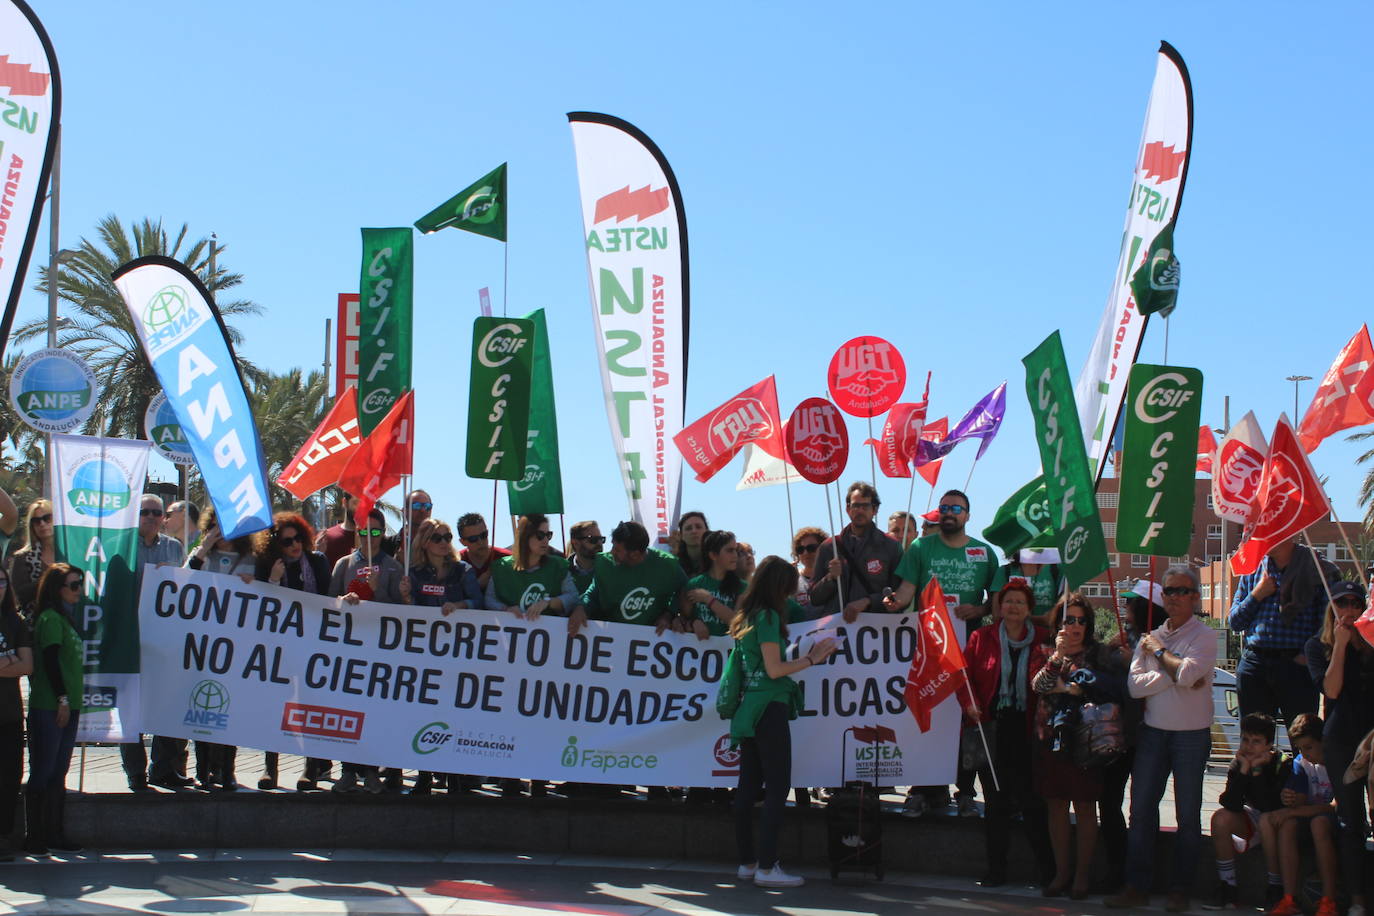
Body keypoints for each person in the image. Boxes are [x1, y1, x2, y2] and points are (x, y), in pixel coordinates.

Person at [1107, 565, 1216, 913]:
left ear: (1195, 596)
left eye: (1182, 590)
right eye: (1169, 591)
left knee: (1188, 815)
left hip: (1192, 736)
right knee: (1140, 812)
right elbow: (1135, 687)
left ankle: (1180, 888)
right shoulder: (1150, 635)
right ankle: (1137, 886)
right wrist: (1178, 673)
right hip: (1153, 733)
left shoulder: (1203, 636)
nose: (1174, 597)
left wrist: (1159, 657)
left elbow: (1187, 674)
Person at [885, 489, 998, 816]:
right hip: (928, 650)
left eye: (956, 508)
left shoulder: (983, 552)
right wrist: (894, 604)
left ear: (967, 515)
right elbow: (906, 592)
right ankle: (919, 790)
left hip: (969, 650)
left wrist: (978, 610)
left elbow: (998, 599)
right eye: (944, 507)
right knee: (928, 714)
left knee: (965, 721)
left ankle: (964, 792)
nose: (950, 513)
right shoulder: (921, 548)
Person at [730, 555, 836, 888]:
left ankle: (748, 863)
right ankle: (766, 867)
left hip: (749, 708)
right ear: (780, 587)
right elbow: (775, 670)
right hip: (769, 706)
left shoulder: (746, 615)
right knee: (777, 787)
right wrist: (812, 658)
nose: (791, 596)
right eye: (789, 590)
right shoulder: (768, 617)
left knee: (748, 788)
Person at [961, 581, 1053, 889]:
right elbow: (964, 677)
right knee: (996, 803)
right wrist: (969, 703)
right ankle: (996, 870)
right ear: (1000, 607)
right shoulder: (981, 637)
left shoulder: (1043, 639)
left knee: (1032, 802)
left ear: (1029, 609)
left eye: (1019, 602)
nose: (1013, 606)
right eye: (1008, 601)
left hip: (1029, 731)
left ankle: (1047, 871)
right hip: (992, 727)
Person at [1031, 593, 1124, 898]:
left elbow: (1109, 690)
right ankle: (1062, 873)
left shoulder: (1099, 655)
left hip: (1086, 742)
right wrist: (1057, 659)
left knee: (1085, 807)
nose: (1074, 626)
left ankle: (1082, 876)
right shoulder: (1046, 650)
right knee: (1056, 805)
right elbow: (1038, 686)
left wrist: (1073, 688)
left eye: (1081, 621)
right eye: (1068, 619)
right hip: (1050, 738)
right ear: (1058, 622)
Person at [1304, 579, 1374, 916]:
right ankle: (1357, 899)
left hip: (1371, 737)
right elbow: (1330, 691)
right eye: (1341, 604)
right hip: (1341, 741)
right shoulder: (1317, 647)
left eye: (1355, 604)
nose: (1348, 611)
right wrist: (1343, 646)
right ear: (1331, 610)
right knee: (1351, 822)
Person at [399, 518, 482, 796]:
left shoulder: (463, 571)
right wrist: (407, 598)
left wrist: (459, 605)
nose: (445, 542)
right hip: (425, 654)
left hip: (457, 654)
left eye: (447, 537)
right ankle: (424, 774)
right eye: (438, 538)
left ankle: (455, 775)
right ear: (425, 543)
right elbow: (408, 614)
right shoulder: (415, 574)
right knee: (424, 712)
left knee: (454, 713)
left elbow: (478, 604)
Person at [254, 513, 332, 792]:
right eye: (287, 542)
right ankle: (269, 767)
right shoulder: (265, 565)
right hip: (278, 645)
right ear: (276, 545)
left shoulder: (317, 562)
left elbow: (328, 597)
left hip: (313, 645)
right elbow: (260, 605)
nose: (294, 545)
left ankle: (311, 768)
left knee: (310, 704)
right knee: (275, 704)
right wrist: (274, 580)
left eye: (298, 538)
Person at [330, 509, 405, 794]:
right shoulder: (343, 564)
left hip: (381, 651)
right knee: (348, 710)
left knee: (373, 714)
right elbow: (326, 601)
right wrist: (342, 599)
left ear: (383, 533)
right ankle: (348, 771)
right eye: (364, 531)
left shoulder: (394, 568)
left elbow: (400, 609)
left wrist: (378, 592)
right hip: (348, 648)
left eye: (375, 532)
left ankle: (372, 771)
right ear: (357, 533)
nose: (369, 537)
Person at [1099, 579, 1165, 892]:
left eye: (1130, 602)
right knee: (1108, 801)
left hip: (1148, 734)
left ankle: (1142, 874)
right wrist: (1106, 652)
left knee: (1142, 807)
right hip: (1117, 734)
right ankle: (1116, 866)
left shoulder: (1159, 641)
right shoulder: (1122, 639)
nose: (1124, 607)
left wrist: (1131, 665)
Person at [185, 506, 255, 791]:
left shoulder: (249, 559)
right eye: (216, 525)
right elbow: (185, 578)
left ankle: (227, 769)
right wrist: (205, 546)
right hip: (203, 644)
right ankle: (204, 769)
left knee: (230, 708)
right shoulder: (202, 556)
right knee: (202, 708)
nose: (222, 532)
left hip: (235, 646)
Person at [121, 495, 188, 792]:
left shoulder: (174, 547)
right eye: (144, 512)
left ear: (163, 517)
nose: (150, 516)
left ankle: (163, 768)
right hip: (130, 637)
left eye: (156, 512)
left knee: (167, 705)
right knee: (130, 708)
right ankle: (136, 771)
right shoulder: (121, 545)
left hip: (164, 640)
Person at [1228, 537, 1331, 726]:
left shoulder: (1317, 568)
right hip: (1255, 664)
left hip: (1295, 667)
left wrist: (1307, 656)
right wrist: (1257, 594)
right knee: (1254, 739)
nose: (1263, 536)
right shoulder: (1253, 569)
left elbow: (1327, 622)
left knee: (1303, 736)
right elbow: (1235, 622)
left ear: (1289, 533)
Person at [23, 563, 86, 856]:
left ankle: (55, 833)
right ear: (57, 588)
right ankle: (34, 836)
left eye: (80, 584)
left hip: (68, 705)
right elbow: (48, 661)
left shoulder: (66, 618)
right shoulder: (49, 618)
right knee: (43, 771)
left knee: (59, 771)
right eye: (74, 585)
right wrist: (61, 699)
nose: (79, 590)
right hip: (50, 706)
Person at [1203, 713, 1290, 911]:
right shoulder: (1240, 762)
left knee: (1267, 819)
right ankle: (1228, 887)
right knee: (1220, 818)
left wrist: (1258, 771)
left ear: (1269, 745)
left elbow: (1270, 804)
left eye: (1256, 742)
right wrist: (1244, 771)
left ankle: (1275, 887)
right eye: (1245, 740)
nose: (1249, 746)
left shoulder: (1282, 763)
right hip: (1252, 820)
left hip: (1277, 821)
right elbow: (1230, 803)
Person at [1262, 713, 1338, 916]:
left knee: (1319, 824)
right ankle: (1289, 899)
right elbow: (1300, 802)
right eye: (1300, 749)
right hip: (1310, 820)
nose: (1304, 754)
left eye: (1309, 747)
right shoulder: (1301, 763)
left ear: (1323, 741)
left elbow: (1337, 806)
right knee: (1288, 825)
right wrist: (1290, 799)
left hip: (1335, 824)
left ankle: (1328, 901)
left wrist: (1297, 810)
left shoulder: (1336, 761)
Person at [571, 521, 687, 634]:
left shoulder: (667, 565)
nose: (611, 553)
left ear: (635, 554)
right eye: (612, 546)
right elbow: (593, 593)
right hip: (613, 637)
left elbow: (686, 589)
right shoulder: (604, 564)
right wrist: (582, 608)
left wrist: (669, 615)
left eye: (617, 550)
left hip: (651, 638)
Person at [811, 482, 902, 622]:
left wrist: (868, 601)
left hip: (877, 632)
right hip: (836, 634)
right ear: (847, 509)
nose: (860, 510)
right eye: (855, 505)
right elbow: (814, 598)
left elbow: (899, 595)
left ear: (875, 509)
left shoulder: (890, 546)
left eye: (865, 506)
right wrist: (830, 578)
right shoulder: (829, 547)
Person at [0, 561, 31, 861]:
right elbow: (16, 662)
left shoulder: (15, 621)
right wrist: (8, 661)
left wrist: (12, 663)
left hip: (8, 714)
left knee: (10, 777)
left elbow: (27, 665)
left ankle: (4, 836)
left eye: (2, 582)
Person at [684, 530, 744, 638]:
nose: (735, 555)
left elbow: (737, 624)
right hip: (699, 651)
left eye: (736, 550)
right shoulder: (694, 584)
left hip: (730, 651)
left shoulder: (742, 587)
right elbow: (683, 617)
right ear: (713, 555)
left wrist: (709, 599)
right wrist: (693, 622)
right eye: (730, 550)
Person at [991, 549, 1063, 633]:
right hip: (1011, 639)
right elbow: (997, 615)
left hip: (1048, 639)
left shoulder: (1056, 569)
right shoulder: (1004, 571)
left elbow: (1064, 607)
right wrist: (1040, 619)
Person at [9, 499, 56, 618]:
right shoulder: (22, 557)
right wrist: (50, 577)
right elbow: (20, 595)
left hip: (70, 624)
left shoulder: (69, 553)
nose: (42, 524)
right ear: (31, 526)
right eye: (36, 521)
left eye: (47, 518)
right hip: (34, 625)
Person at [457, 512, 510, 592]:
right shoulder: (455, 562)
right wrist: (477, 585)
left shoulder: (507, 558)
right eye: (473, 539)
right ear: (462, 542)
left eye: (483, 535)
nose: (480, 542)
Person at [316, 492, 360, 568]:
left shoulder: (374, 538)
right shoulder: (326, 538)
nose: (361, 508)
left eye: (365, 504)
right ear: (345, 502)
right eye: (356, 503)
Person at [790, 526, 826, 614]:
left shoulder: (833, 577)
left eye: (811, 548)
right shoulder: (793, 579)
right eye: (800, 549)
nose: (805, 553)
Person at [566, 521, 603, 595]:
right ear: (576, 543)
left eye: (601, 539)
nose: (599, 544)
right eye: (593, 540)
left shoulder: (609, 567)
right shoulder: (562, 572)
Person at [674, 510, 710, 577]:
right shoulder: (675, 565)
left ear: (707, 532)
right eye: (688, 528)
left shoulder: (717, 561)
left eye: (698, 527)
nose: (694, 531)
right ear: (681, 536)